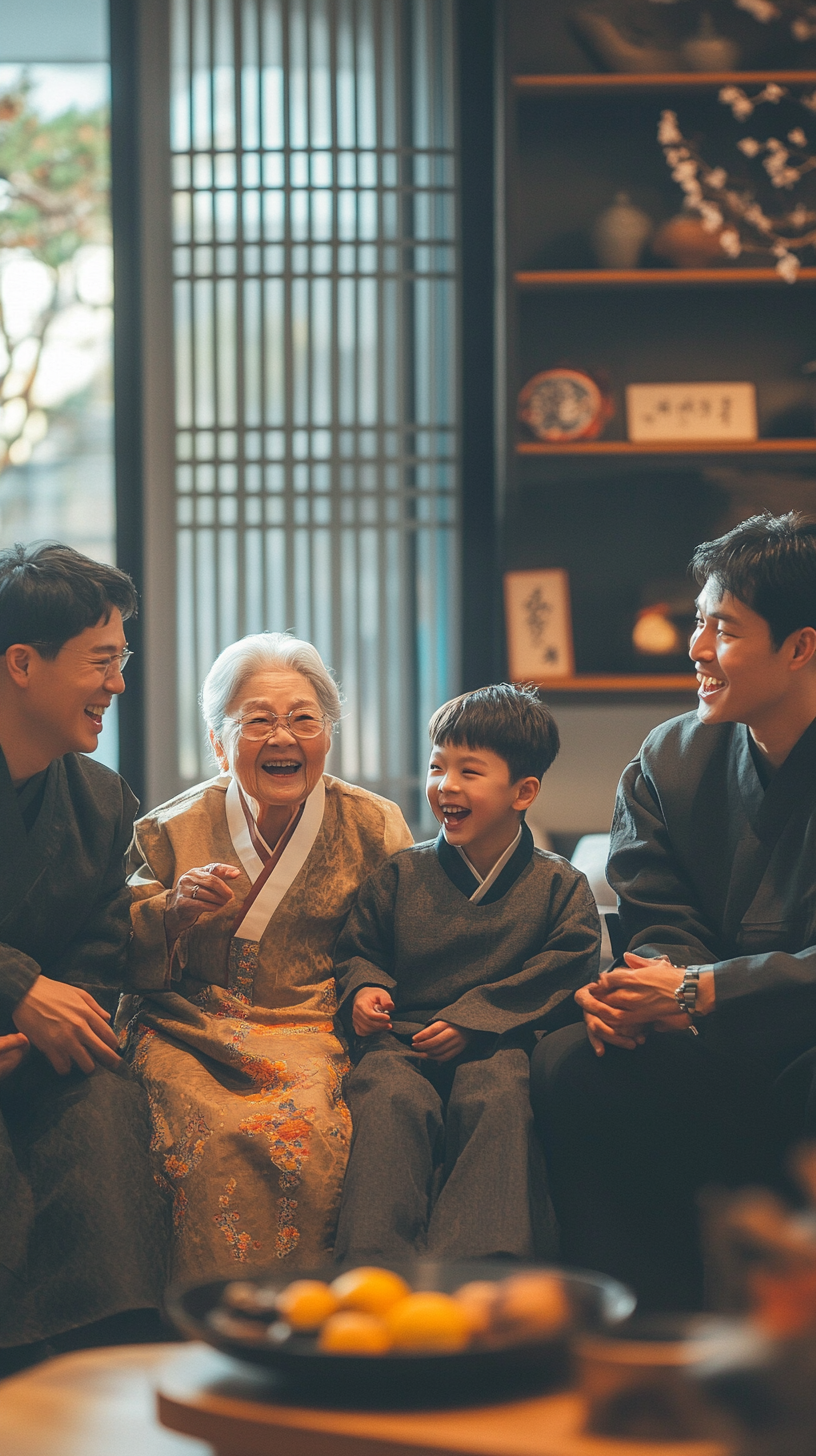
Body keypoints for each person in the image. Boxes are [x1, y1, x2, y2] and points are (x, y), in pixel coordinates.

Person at [531, 511, 816, 1310]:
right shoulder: (668, 758)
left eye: (722, 629)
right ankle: (637, 1321)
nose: (695, 648)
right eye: (698, 622)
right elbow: (657, 914)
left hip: (801, 1041)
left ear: (800, 646)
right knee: (572, 1063)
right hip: (707, 1039)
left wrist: (699, 990)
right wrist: (648, 993)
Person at [120, 632, 412, 1283]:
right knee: (192, 1131)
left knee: (311, 1129)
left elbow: (405, 939)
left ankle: (301, 1314)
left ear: (328, 734)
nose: (284, 737)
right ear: (221, 744)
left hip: (312, 1024)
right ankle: (199, 1318)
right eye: (258, 721)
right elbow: (115, 945)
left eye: (303, 719)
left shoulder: (375, 825)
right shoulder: (169, 830)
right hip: (189, 1025)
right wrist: (169, 915)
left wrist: (371, 991)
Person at [333, 684, 600, 1263]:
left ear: (523, 791)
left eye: (469, 771)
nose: (445, 786)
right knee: (387, 1097)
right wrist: (365, 986)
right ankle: (374, 1266)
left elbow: (567, 967)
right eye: (436, 767)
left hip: (497, 1043)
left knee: (499, 1092)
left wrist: (475, 1021)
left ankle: (480, 1270)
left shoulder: (560, 886)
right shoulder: (400, 875)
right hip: (400, 1039)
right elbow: (358, 949)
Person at [0, 543, 166, 1364]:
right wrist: (18, 984)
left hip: (32, 1053)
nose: (119, 685)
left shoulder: (102, 802)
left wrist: (36, 1029)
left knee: (104, 1093)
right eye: (103, 661)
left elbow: (99, 958)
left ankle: (108, 1349)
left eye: (123, 661)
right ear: (22, 663)